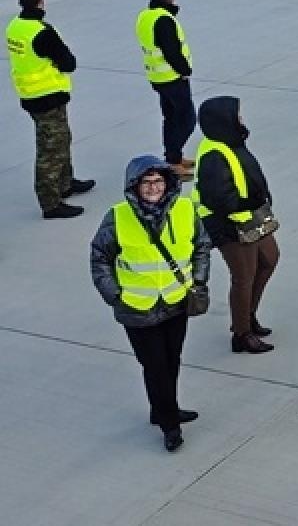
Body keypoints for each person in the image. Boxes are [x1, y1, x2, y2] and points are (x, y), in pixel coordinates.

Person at [90, 156, 212, 452]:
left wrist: (197, 281)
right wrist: (114, 295)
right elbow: (99, 258)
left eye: (158, 181)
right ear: (135, 186)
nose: (153, 187)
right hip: (137, 308)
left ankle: (162, 409)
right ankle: (170, 425)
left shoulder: (185, 209)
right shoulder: (118, 216)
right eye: (146, 182)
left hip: (175, 302)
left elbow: (201, 246)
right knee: (155, 366)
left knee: (172, 361)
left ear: (168, 183)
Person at [195, 96, 278, 354]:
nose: (241, 119)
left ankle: (248, 316)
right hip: (229, 225)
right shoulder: (213, 155)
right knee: (244, 277)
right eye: (237, 116)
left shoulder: (231, 141)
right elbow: (220, 199)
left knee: (269, 259)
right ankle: (242, 333)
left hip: (251, 217)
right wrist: (253, 200)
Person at [6, 0, 93, 218]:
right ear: (41, 1)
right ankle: (50, 203)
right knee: (50, 150)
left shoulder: (15, 26)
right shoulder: (42, 32)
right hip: (47, 96)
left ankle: (65, 183)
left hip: (30, 94)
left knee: (61, 139)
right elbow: (68, 63)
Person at [136, 0, 197, 178]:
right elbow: (171, 51)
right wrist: (185, 70)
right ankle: (172, 161)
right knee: (186, 120)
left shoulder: (145, 16)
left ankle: (175, 156)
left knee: (170, 118)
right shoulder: (164, 20)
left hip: (158, 77)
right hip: (172, 78)